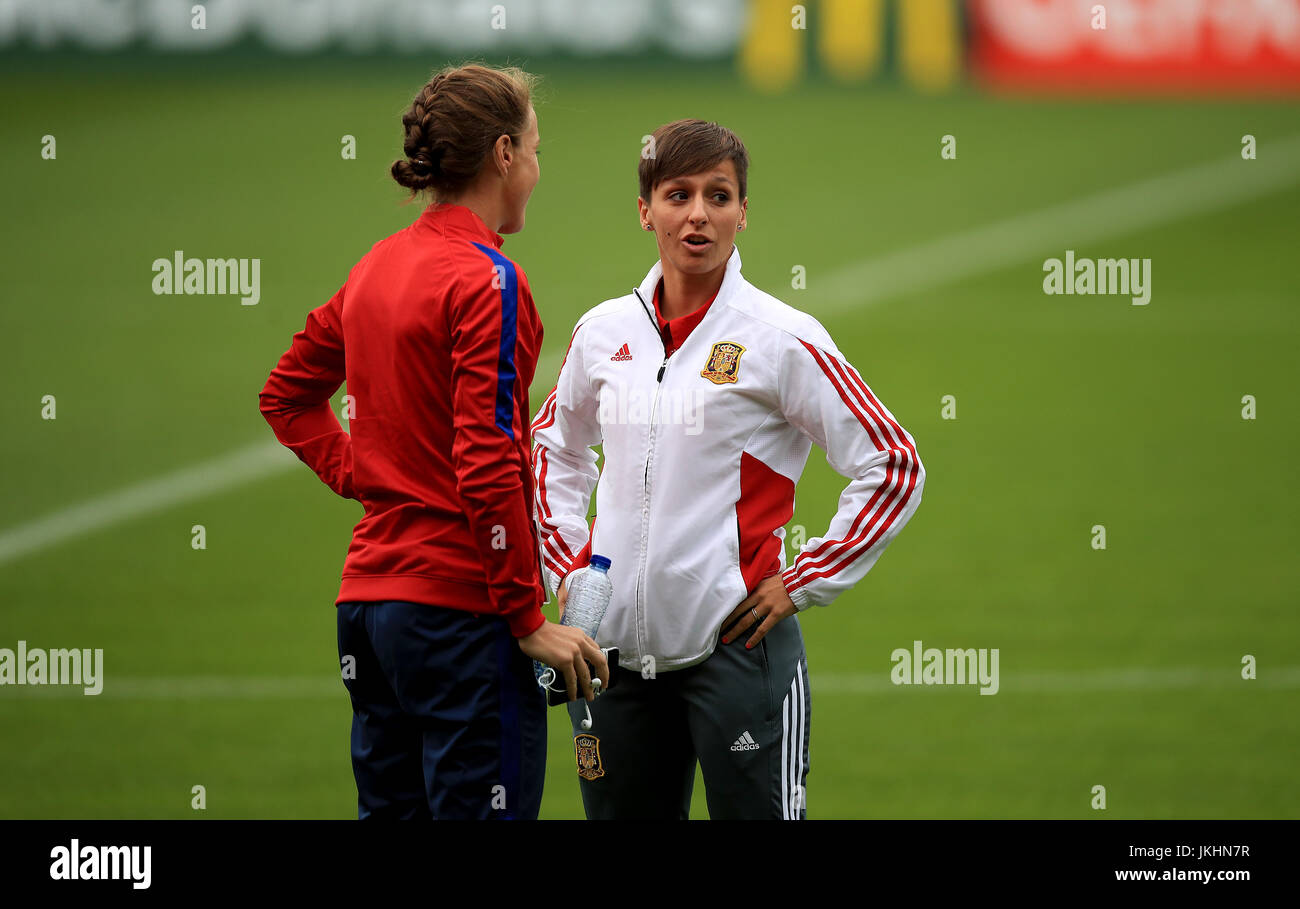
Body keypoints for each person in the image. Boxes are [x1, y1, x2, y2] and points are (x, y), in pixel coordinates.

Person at [531, 119, 924, 819]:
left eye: (719, 196)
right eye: (677, 194)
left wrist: (806, 578)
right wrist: (566, 567)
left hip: (739, 657)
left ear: (744, 212)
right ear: (645, 209)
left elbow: (892, 462)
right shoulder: (601, 333)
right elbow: (553, 450)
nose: (698, 214)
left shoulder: (781, 338)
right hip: (609, 659)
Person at [259, 63, 608, 821]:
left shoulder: (376, 265)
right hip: (460, 616)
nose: (539, 172)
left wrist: (369, 473)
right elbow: (488, 460)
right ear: (505, 154)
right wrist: (526, 618)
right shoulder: (490, 280)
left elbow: (286, 394)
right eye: (537, 151)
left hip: (370, 610)